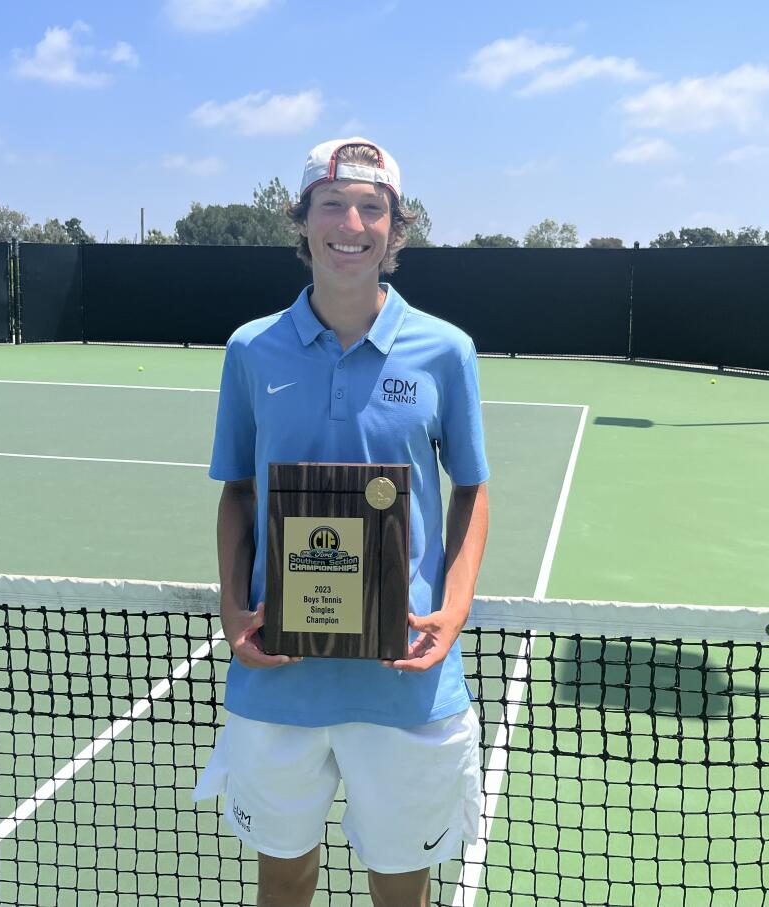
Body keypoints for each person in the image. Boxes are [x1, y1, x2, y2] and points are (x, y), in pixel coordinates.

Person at [193, 137, 491, 907]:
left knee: (401, 889)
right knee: (284, 881)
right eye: (331, 204)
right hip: (278, 682)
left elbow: (472, 491)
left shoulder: (447, 351)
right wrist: (233, 610)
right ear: (302, 223)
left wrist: (453, 612)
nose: (350, 223)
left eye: (372, 207)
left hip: (406, 684)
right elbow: (236, 493)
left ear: (396, 229)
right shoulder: (251, 350)